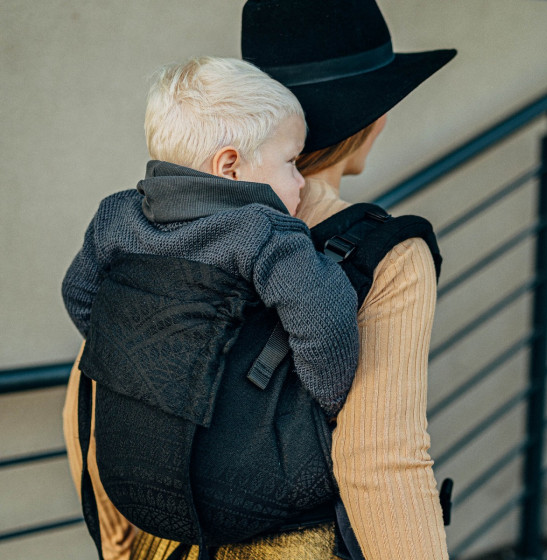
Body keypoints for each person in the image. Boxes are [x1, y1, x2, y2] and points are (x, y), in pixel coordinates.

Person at [63, 0, 457, 558]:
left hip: (162, 532)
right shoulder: (382, 254)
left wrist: (123, 549)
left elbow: (91, 376)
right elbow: (382, 460)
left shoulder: (138, 218)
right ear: (372, 118)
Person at [62, 56, 359, 418]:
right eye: (291, 161)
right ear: (230, 167)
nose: (301, 180)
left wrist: (134, 365)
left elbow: (78, 292)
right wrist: (319, 406)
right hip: (242, 440)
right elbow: (326, 319)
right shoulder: (263, 232)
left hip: (142, 437)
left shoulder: (116, 216)